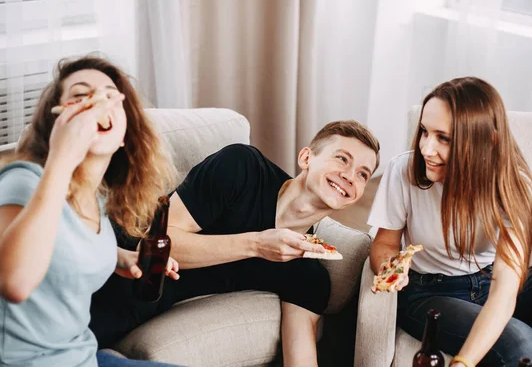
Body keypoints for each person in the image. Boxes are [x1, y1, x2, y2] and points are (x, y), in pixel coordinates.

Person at [91, 120, 380, 366]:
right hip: (105, 257)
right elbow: (159, 244)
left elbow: (300, 356)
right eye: (342, 158)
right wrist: (256, 244)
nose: (349, 176)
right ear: (306, 158)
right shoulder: (242, 168)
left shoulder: (309, 274)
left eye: (363, 174)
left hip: (132, 307)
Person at [368, 77, 532, 367]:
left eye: (444, 138)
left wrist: (463, 362)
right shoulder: (403, 169)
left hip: (488, 284)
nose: (426, 148)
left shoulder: (512, 186)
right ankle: (527, 351)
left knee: (528, 345)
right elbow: (385, 244)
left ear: (487, 141)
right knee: (520, 345)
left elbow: (505, 286)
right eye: (425, 132)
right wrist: (391, 268)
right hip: (429, 294)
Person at [0, 56, 182, 367]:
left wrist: (119, 257)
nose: (98, 103)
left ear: (124, 133)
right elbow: (14, 282)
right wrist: (62, 155)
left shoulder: (95, 196)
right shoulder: (24, 180)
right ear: (57, 122)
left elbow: (63, 243)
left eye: (110, 96)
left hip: (82, 357)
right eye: (80, 96)